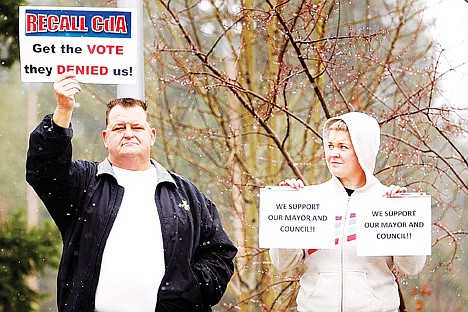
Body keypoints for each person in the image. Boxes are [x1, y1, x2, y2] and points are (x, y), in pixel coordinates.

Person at [26, 73, 237, 312]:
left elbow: (220, 252)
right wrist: (63, 111)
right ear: (106, 138)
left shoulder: (185, 194)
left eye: (137, 126)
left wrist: (191, 290)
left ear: (152, 135)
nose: (128, 133)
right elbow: (43, 170)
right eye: (119, 127)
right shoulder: (84, 184)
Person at [269, 112, 426, 312]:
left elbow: (412, 268)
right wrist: (288, 207)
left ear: (363, 151)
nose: (333, 153)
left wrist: (402, 216)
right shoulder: (310, 199)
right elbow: (283, 263)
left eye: (343, 147)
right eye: (330, 146)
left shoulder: (387, 201)